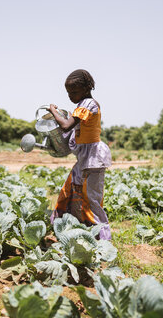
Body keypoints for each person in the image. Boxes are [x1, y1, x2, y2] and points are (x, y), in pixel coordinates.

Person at [48, 69, 112, 240]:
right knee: (68, 191)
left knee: (91, 199)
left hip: (94, 160)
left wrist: (53, 110)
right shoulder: (81, 106)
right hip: (84, 158)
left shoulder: (88, 104)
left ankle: (102, 239)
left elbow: (66, 126)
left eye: (74, 92)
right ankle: (63, 229)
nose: (70, 96)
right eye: (68, 93)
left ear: (86, 88)